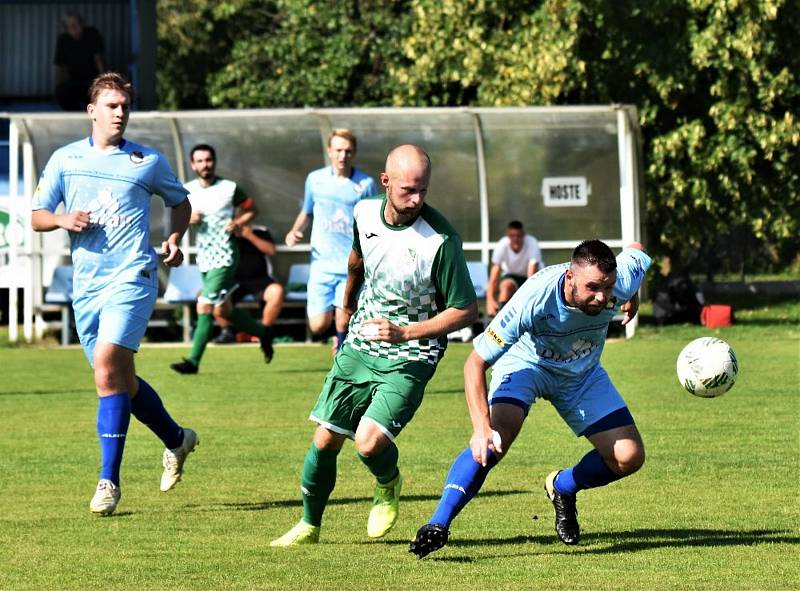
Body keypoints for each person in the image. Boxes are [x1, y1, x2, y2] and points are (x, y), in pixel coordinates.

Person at [271, 144, 478, 547]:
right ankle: (309, 526)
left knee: (368, 442)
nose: (416, 199)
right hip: (363, 341)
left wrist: (406, 333)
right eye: (406, 190)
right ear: (385, 183)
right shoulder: (364, 212)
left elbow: (466, 310)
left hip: (414, 351)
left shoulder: (441, 241)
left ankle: (388, 481)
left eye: (422, 190)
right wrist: (346, 306)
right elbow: (356, 260)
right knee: (325, 438)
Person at [409, 239, 650, 558]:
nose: (603, 296)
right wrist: (482, 428)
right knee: (495, 440)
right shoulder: (533, 298)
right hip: (526, 365)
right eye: (592, 287)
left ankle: (563, 487)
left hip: (582, 374)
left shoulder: (616, 282)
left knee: (629, 457)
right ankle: (437, 524)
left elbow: (636, 249)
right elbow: (475, 363)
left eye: (608, 287)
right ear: (570, 278)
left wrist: (630, 294)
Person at [31, 72, 198, 516]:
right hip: (88, 287)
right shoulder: (66, 160)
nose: (120, 113)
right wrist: (63, 220)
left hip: (134, 276)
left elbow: (180, 202)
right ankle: (177, 439)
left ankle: (109, 482)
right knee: (119, 379)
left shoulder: (147, 161)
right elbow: (37, 215)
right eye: (111, 105)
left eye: (125, 105)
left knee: (106, 368)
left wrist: (175, 238)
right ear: (92, 111)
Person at [170, 144, 275, 373]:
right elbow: (178, 215)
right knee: (223, 310)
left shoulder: (229, 188)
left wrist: (238, 223)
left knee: (205, 305)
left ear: (214, 162)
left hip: (226, 256)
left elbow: (251, 209)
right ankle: (263, 332)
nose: (204, 164)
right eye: (199, 161)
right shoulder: (187, 190)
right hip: (205, 257)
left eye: (208, 160)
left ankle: (193, 362)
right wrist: (189, 219)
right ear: (192, 164)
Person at [284, 129, 379, 352]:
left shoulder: (365, 184)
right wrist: (294, 232)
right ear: (329, 151)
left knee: (343, 321)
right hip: (321, 265)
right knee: (318, 325)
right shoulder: (315, 180)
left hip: (350, 265)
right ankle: (339, 339)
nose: (342, 155)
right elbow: (306, 212)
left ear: (354, 153)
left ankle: (341, 349)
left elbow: (374, 220)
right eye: (338, 150)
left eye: (347, 151)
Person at [213, 223, 285, 344]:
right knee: (212, 295)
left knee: (277, 291)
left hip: (260, 280)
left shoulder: (260, 230)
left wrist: (249, 235)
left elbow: (271, 251)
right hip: (232, 280)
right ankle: (227, 331)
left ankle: (263, 332)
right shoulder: (221, 230)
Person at [486, 220, 543, 317]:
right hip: (511, 275)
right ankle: (500, 318)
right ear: (508, 236)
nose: (516, 239)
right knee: (506, 286)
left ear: (523, 235)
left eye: (519, 236)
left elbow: (531, 274)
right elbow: (494, 275)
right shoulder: (502, 245)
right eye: (512, 236)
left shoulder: (532, 243)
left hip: (531, 278)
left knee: (530, 301)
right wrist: (490, 300)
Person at [54, 12, 106, 111]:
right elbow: (60, 65)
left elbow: (98, 59)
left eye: (76, 24)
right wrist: (59, 85)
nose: (73, 28)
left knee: (98, 100)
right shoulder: (63, 39)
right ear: (66, 29)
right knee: (61, 93)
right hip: (74, 82)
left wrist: (102, 83)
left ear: (82, 25)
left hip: (92, 82)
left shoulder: (92, 34)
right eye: (69, 26)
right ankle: (75, 114)